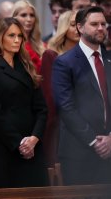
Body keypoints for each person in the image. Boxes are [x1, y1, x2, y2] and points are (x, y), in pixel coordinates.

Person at [52, 6, 111, 185]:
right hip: (79, 153)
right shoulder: (64, 63)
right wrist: (94, 141)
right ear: (80, 27)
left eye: (103, 24)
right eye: (94, 24)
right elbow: (66, 108)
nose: (100, 28)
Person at [0, 17, 48, 188]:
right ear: (0, 37)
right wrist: (19, 144)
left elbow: (42, 109)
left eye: (20, 36)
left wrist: (34, 138)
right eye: (11, 35)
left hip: (32, 145)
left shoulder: (26, 66)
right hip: (3, 147)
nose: (17, 40)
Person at [40, 10, 79, 167]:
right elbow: (49, 96)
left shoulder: (86, 55)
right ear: (63, 27)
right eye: (72, 25)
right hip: (59, 125)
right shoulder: (51, 55)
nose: (77, 29)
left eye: (80, 25)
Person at [12, 0, 45, 73]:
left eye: (32, 15)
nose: (29, 19)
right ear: (14, 18)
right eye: (23, 15)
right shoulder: (11, 44)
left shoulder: (42, 45)